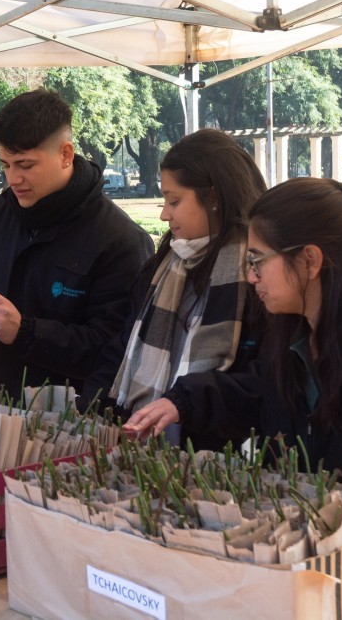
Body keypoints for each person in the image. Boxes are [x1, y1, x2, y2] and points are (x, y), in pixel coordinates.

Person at [125, 177, 342, 507]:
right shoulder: (288, 336)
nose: (251, 276)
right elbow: (258, 394)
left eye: (257, 260)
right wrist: (183, 401)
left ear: (309, 260)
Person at [0, 89, 154, 406]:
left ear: (65, 154)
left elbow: (116, 348)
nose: (13, 178)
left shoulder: (121, 240)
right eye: (5, 165)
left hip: (71, 426)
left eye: (25, 164)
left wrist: (25, 332)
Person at [84, 129, 267, 448]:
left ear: (212, 197)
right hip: (143, 453)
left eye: (174, 201)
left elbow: (261, 382)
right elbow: (123, 346)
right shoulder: (163, 265)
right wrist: (93, 407)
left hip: (216, 461)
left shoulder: (258, 277)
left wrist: (187, 402)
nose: (164, 214)